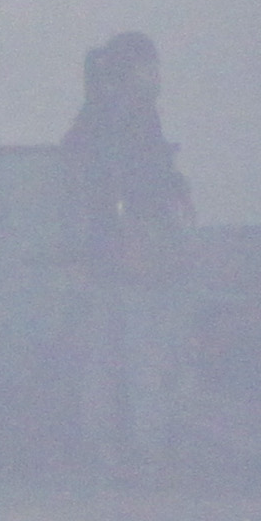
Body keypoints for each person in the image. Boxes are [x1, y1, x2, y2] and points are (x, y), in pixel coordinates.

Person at [62, 32, 193, 483]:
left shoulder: (96, 117)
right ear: (132, 71)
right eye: (151, 67)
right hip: (133, 254)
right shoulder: (131, 119)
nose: (158, 76)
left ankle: (103, 449)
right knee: (144, 355)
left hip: (105, 255)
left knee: (104, 357)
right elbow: (140, 186)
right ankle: (147, 450)